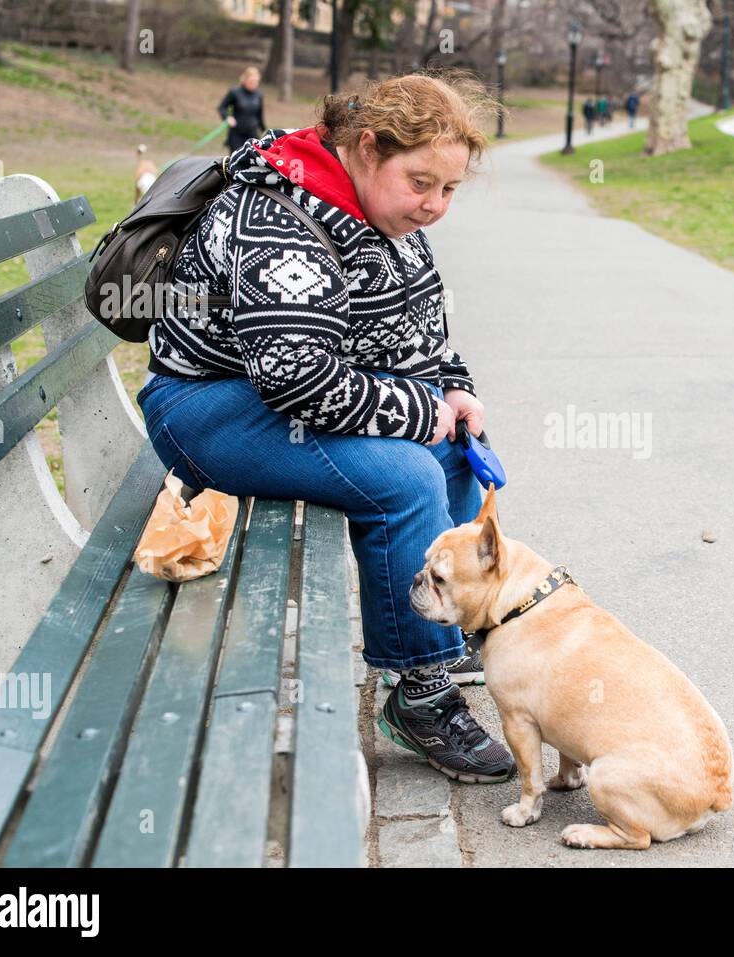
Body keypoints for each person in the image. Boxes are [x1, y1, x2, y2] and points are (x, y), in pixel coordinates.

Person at [138, 73, 516, 784]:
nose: (434, 205)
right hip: (206, 406)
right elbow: (295, 376)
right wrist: (414, 411)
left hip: (274, 399)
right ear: (367, 148)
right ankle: (421, 690)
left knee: (459, 449)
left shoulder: (380, 210)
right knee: (405, 477)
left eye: (450, 190)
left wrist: (453, 388)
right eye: (421, 182)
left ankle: (450, 617)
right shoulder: (280, 215)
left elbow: (415, 324)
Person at [218, 66, 266, 155]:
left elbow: (259, 115)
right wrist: (227, 117)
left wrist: (264, 130)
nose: (254, 84)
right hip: (236, 133)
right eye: (252, 81)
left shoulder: (259, 95)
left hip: (252, 133)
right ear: (245, 80)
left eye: (256, 82)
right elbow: (221, 107)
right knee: (236, 159)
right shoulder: (235, 92)